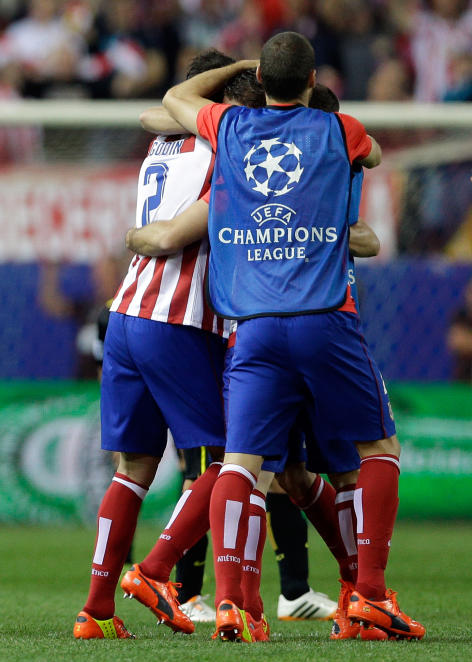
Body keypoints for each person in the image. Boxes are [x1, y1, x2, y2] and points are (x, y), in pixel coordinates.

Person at [161, 31, 424, 641]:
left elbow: (176, 97)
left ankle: (230, 605)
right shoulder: (342, 130)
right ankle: (372, 596)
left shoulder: (229, 126)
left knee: (240, 465)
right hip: (323, 318)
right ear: (311, 82)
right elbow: (377, 154)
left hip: (251, 326)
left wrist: (246, 71)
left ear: (261, 80)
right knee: (377, 452)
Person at [72, 49, 255, 641]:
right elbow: (181, 233)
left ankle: (95, 612)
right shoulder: (230, 145)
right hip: (177, 316)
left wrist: (131, 237)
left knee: (132, 470)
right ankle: (154, 573)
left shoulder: (166, 137)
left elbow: (168, 105)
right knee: (232, 460)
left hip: (124, 312)